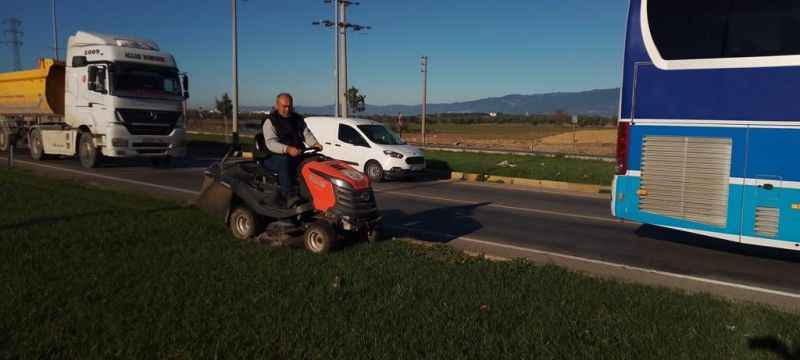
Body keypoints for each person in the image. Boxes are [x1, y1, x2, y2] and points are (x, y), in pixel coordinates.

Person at [262, 93, 322, 205]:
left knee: (316, 160)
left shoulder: (298, 119)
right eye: (284, 106)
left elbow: (306, 134)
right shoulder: (271, 121)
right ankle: (289, 196)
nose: (287, 109)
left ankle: (314, 193)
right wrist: (287, 149)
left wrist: (315, 144)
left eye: (289, 106)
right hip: (274, 157)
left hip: (296, 153)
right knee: (285, 161)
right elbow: (271, 143)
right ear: (277, 105)